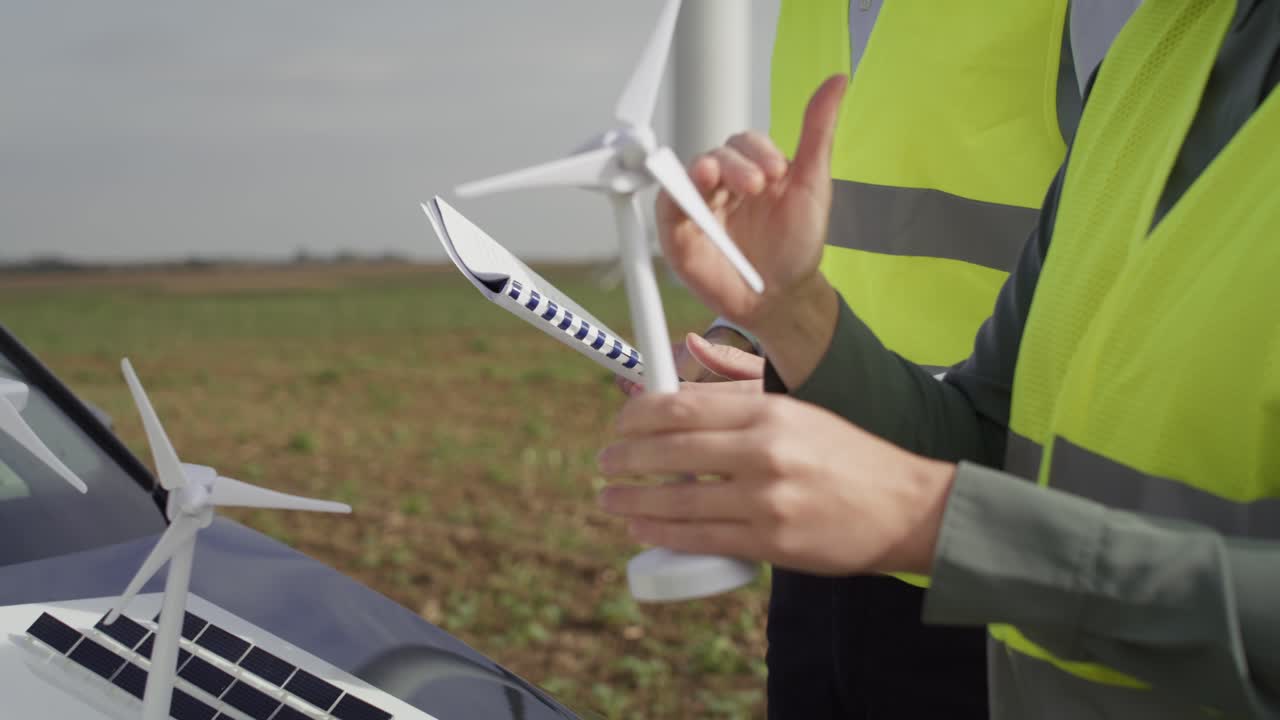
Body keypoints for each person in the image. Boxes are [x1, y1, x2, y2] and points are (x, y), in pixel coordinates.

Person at [600, 0, 1280, 717]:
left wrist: (929, 522)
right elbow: (994, 430)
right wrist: (793, 316)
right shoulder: (1168, 43)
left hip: (954, 589)